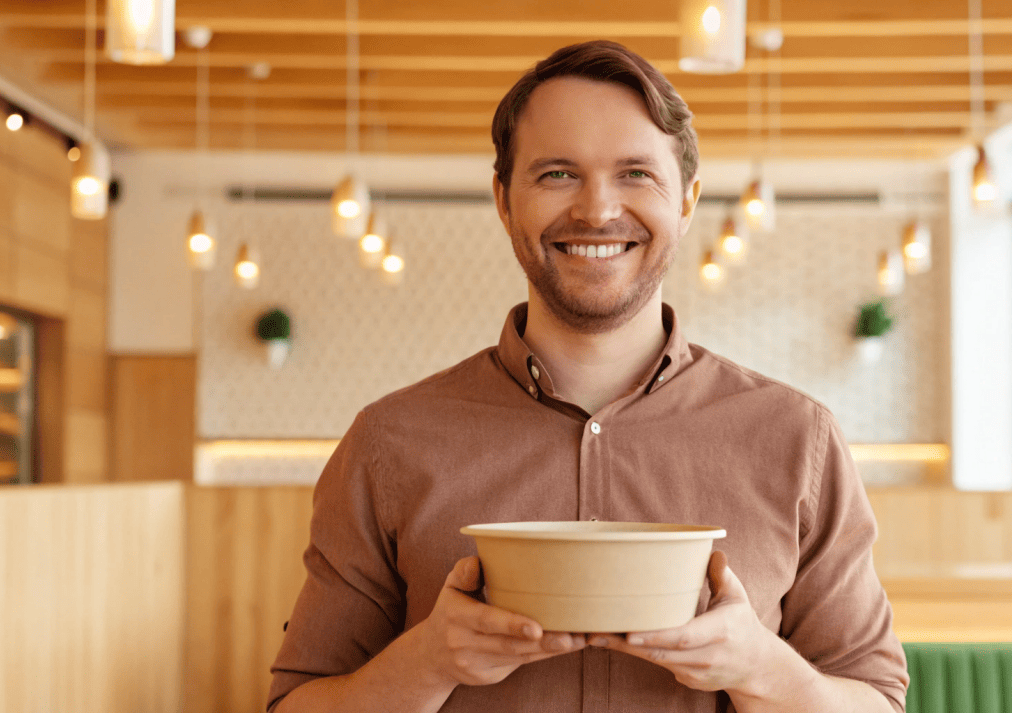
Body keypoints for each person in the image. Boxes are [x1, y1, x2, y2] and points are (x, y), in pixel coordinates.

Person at [269, 40, 909, 713]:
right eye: (556, 174)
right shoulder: (387, 443)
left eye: (636, 174)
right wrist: (429, 661)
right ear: (503, 200)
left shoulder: (797, 439)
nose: (598, 211)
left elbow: (877, 700)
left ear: (686, 201)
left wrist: (760, 667)